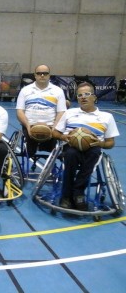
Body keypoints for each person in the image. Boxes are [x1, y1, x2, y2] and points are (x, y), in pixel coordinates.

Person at [53, 82, 119, 210]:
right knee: (71, 154)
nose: (83, 97)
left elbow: (110, 143)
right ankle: (66, 196)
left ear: (94, 97)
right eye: (80, 95)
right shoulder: (70, 113)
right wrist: (62, 137)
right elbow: (55, 132)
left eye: (87, 94)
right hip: (71, 146)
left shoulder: (106, 117)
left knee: (95, 152)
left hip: (93, 148)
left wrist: (100, 143)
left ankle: (78, 192)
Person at [16, 64, 67, 157]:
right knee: (29, 148)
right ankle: (30, 153)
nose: (42, 75)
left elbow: (61, 112)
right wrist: (27, 126)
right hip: (30, 126)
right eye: (39, 73)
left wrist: (54, 128)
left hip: (51, 127)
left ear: (49, 75)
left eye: (45, 73)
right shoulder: (25, 90)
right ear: (35, 75)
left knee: (57, 141)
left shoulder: (58, 91)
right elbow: (19, 111)